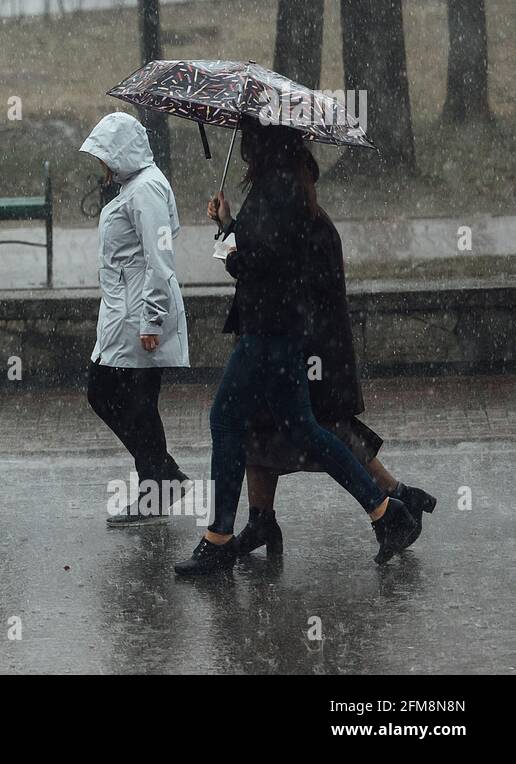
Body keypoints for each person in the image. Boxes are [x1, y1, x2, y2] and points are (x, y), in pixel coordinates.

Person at [173, 119, 421, 576]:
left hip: (268, 329)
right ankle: (388, 514)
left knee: (225, 419)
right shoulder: (285, 185)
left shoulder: (277, 190)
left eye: (249, 136)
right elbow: (268, 249)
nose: (244, 145)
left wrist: (231, 255)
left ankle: (218, 539)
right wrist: (227, 224)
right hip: (281, 327)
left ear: (262, 143)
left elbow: (267, 263)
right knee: (303, 430)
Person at [235, 149, 436, 555]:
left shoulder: (306, 224)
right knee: (263, 426)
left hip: (305, 347)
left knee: (322, 432)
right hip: (299, 342)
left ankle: (391, 503)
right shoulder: (302, 217)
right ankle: (262, 520)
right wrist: (231, 230)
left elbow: (283, 279)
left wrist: (241, 261)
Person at [80, 112, 191, 526]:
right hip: (124, 314)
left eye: (104, 157)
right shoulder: (137, 185)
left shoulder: (144, 189)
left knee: (120, 397)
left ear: (121, 152)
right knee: (127, 400)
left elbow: (160, 260)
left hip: (138, 318)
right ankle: (162, 477)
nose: (101, 167)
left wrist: (151, 321)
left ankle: (158, 484)